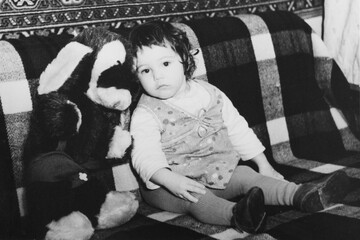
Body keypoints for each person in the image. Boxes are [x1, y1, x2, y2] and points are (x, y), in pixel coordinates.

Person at [129, 21, 350, 233]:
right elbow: (144, 156)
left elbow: (238, 130)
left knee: (245, 173)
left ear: (184, 58)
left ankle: (303, 195)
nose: (157, 76)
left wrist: (263, 164)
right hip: (166, 186)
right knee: (197, 197)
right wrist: (171, 180)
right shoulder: (146, 113)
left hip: (215, 172)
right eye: (145, 71)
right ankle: (237, 216)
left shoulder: (210, 93)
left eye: (165, 63)